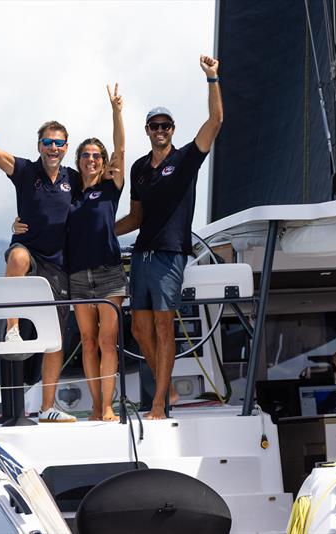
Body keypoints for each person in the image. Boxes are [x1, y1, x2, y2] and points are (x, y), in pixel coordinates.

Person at [115, 55, 223, 419]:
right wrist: (100, 231)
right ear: (147, 130)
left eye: (165, 125)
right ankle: (168, 387)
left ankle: (160, 402)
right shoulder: (139, 168)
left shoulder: (187, 158)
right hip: (141, 255)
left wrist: (212, 78)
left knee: (164, 328)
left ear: (173, 129)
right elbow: (136, 217)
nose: (160, 130)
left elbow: (216, 121)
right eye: (154, 126)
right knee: (139, 330)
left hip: (170, 255)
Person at [14, 84, 126, 421]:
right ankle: (96, 406)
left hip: (108, 273)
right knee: (88, 342)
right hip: (76, 275)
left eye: (97, 156)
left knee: (107, 341)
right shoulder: (72, 190)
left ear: (104, 162)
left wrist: (116, 111)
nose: (91, 159)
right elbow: (44, 211)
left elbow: (121, 148)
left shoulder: (111, 187)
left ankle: (107, 406)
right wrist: (18, 224)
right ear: (77, 161)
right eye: (86, 155)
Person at [0, 101, 78, 423]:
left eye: (59, 143)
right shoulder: (26, 171)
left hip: (58, 264)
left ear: (66, 147)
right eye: (48, 142)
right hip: (29, 252)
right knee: (16, 256)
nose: (53, 148)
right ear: (39, 145)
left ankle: (47, 408)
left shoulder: (73, 178)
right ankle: (12, 329)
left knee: (55, 338)